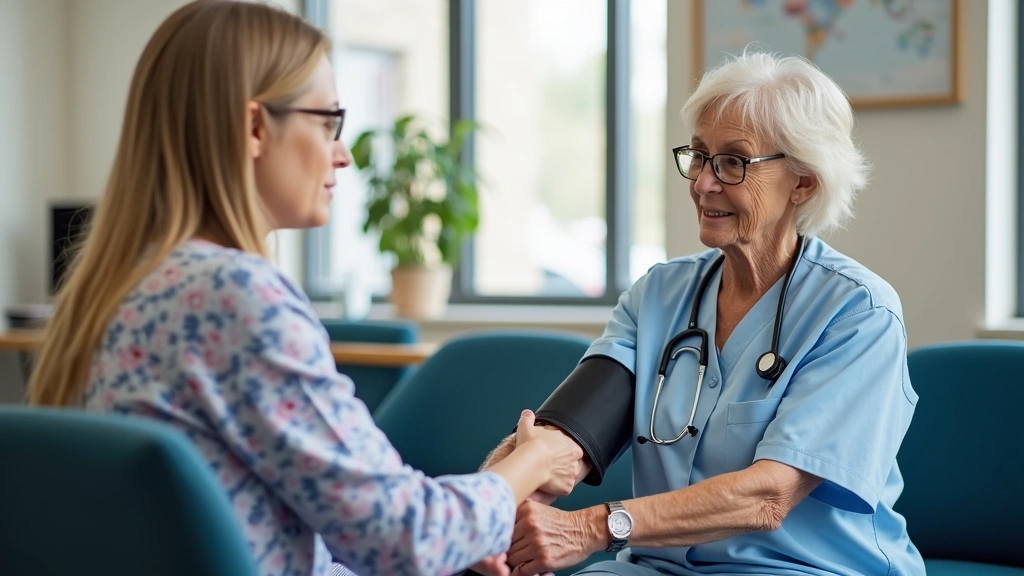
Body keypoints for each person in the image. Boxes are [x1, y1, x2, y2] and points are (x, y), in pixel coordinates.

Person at [26, 2, 583, 575]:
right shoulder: (234, 296)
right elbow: (407, 538)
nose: (341, 154)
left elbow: (271, 517)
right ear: (255, 127)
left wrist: (460, 532)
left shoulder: (114, 291)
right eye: (327, 123)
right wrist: (533, 461)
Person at [482, 51, 925, 576]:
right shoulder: (659, 295)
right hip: (656, 568)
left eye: (734, 162)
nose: (703, 183)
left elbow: (769, 496)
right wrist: (487, 511)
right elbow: (571, 437)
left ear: (802, 182)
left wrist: (592, 528)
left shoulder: (858, 314)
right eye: (698, 155)